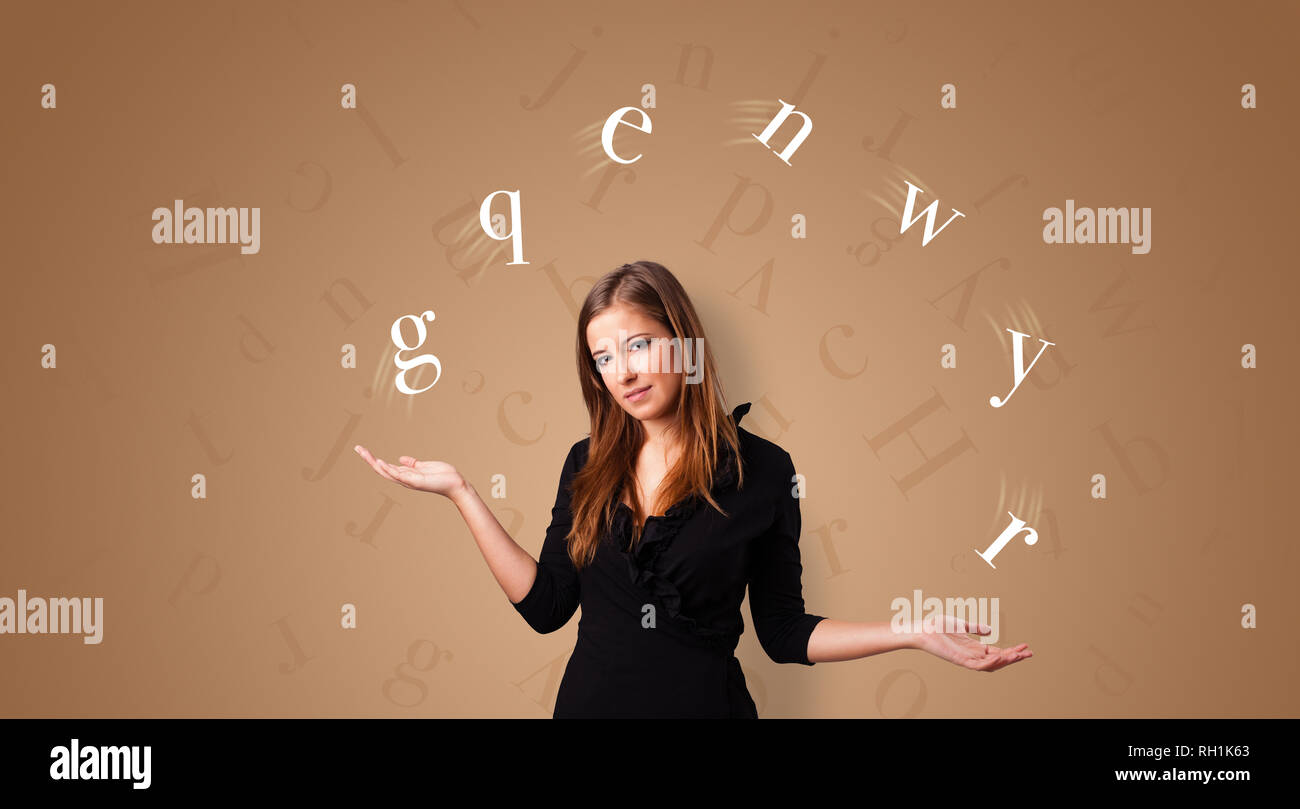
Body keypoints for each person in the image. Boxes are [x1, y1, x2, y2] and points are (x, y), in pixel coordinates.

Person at [355, 260, 1031, 718]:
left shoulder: (764, 471)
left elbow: (784, 631)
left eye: (640, 345)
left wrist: (911, 632)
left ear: (684, 344)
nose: (622, 371)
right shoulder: (584, 463)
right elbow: (547, 606)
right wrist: (462, 493)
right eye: (602, 357)